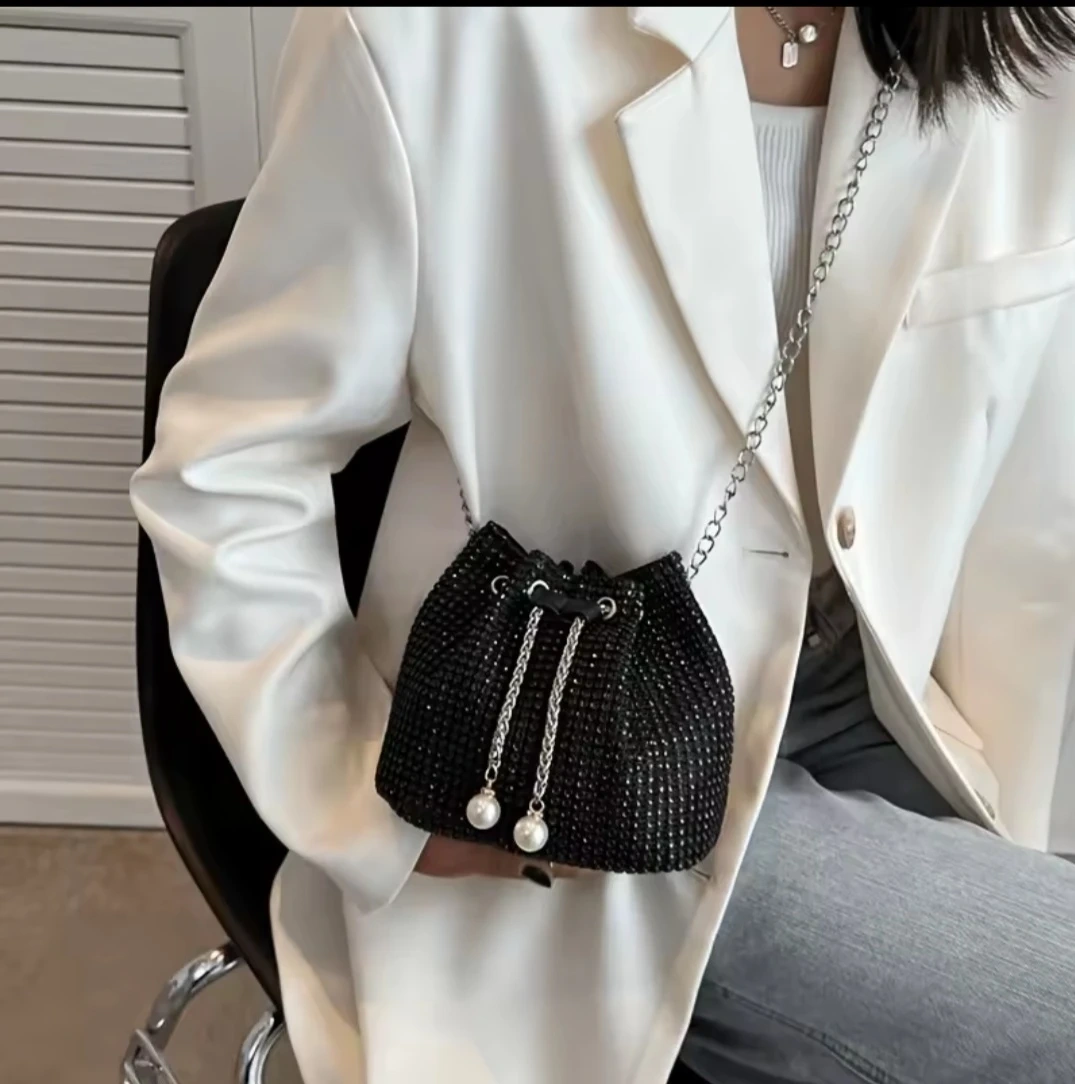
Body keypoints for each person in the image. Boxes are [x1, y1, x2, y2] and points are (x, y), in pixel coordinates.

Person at [131, 7, 1075, 1083]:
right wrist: (362, 789)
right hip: (592, 747)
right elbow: (227, 461)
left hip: (894, 703)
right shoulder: (435, 31)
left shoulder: (1024, 41)